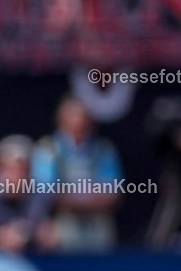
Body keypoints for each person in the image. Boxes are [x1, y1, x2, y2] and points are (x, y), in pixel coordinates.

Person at [31, 96, 123, 252]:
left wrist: (82, 201)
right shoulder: (47, 149)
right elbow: (46, 193)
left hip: (97, 221)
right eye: (73, 116)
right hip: (62, 220)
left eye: (82, 116)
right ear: (61, 119)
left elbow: (112, 193)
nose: (78, 121)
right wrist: (84, 199)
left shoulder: (103, 149)